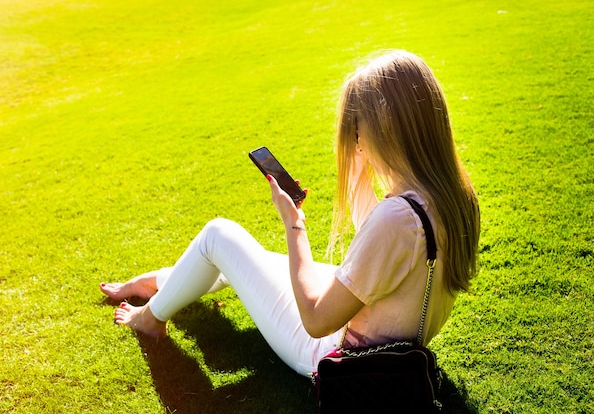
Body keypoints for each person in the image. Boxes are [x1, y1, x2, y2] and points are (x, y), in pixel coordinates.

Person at [100, 50, 480, 377]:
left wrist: (294, 223)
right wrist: (359, 169)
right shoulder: (453, 197)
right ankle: (164, 283)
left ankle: (150, 319)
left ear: (386, 129)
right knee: (251, 263)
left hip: (333, 353)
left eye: (358, 128)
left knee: (219, 236)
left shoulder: (396, 220)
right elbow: (387, 258)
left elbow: (315, 320)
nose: (356, 140)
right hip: (390, 337)